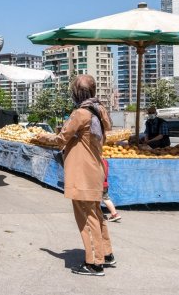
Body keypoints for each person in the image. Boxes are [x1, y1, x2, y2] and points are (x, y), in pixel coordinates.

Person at [38, 74, 115, 276]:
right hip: (94, 170)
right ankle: (106, 253)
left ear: (77, 93)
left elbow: (61, 138)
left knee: (86, 218)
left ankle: (94, 263)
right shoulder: (101, 110)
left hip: (82, 173)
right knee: (96, 215)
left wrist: (41, 136)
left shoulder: (81, 113)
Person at [102, 158, 121, 222]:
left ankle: (96, 214)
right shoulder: (105, 160)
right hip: (104, 184)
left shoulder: (96, 160)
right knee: (106, 199)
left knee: (94, 199)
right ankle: (115, 214)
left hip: (98, 183)